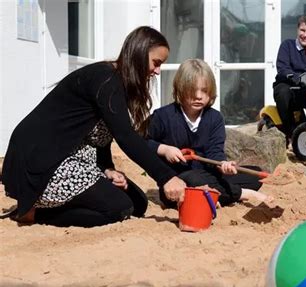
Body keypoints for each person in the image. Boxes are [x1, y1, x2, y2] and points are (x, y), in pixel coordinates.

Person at [1, 26, 187, 228]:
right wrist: (166, 177)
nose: (158, 71)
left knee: (138, 203)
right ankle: (34, 212)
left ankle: (46, 207)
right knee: (120, 208)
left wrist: (107, 168)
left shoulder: (117, 82)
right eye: (156, 63)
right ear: (140, 53)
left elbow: (101, 133)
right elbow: (126, 137)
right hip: (44, 160)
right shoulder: (106, 79)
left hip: (75, 158)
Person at [146, 58, 270, 208]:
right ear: (180, 89)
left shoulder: (215, 118)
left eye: (204, 91)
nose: (199, 96)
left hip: (209, 176)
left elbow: (215, 152)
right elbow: (142, 142)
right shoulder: (162, 116)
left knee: (254, 175)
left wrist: (222, 164)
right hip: (178, 183)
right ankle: (242, 194)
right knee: (193, 178)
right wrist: (164, 149)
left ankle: (214, 194)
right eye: (192, 91)